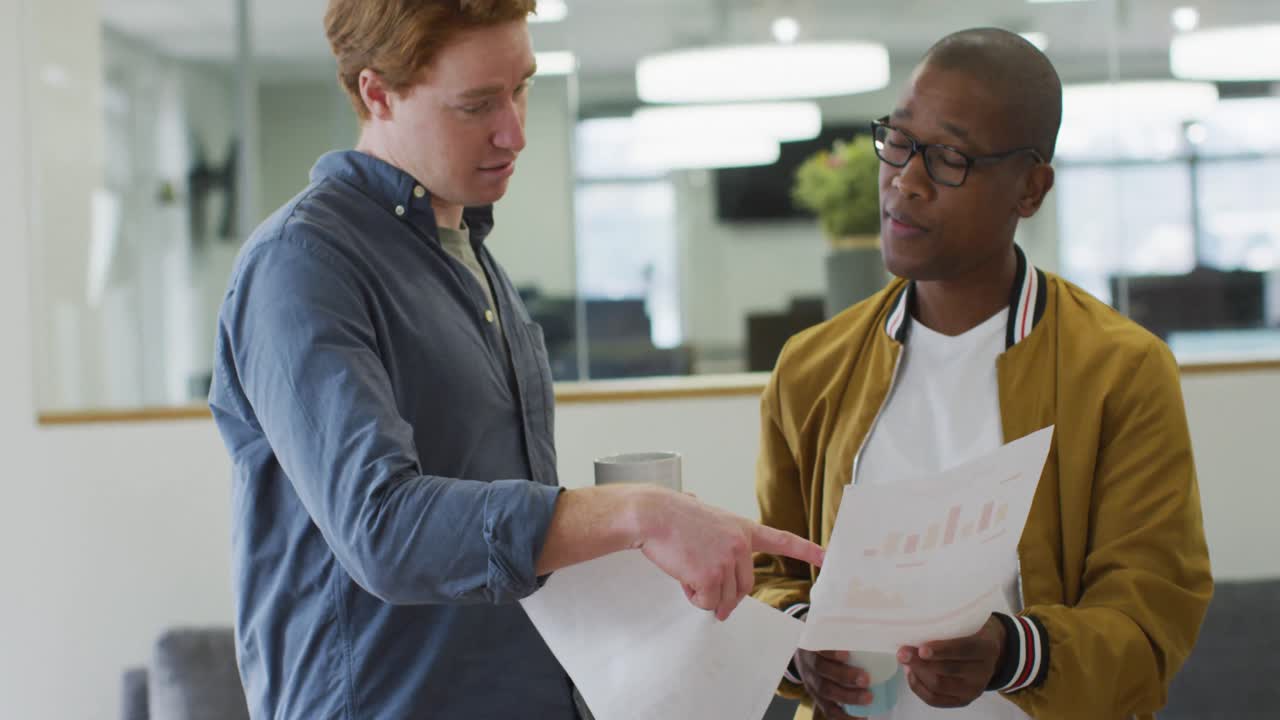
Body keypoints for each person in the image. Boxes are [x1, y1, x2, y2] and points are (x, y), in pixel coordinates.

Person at [207, 1, 823, 718]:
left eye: (522, 87)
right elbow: (384, 531)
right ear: (377, 94)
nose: (515, 131)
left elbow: (502, 547)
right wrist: (638, 513)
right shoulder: (302, 265)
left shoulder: (467, 255)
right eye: (476, 105)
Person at [753, 28, 1212, 720]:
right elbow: (772, 571)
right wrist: (796, 644)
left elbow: (1152, 616)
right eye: (899, 142)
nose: (906, 180)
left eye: (951, 158)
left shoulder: (1120, 371)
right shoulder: (812, 368)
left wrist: (1010, 651)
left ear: (1030, 189)